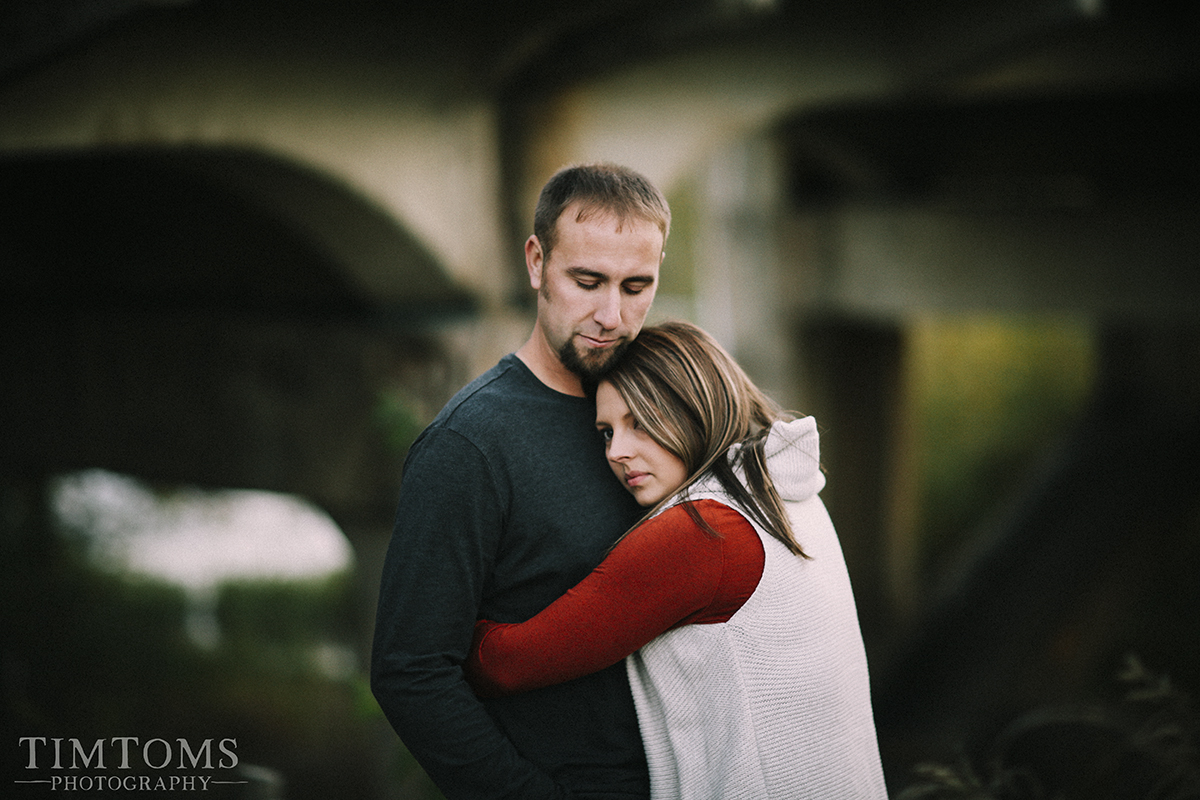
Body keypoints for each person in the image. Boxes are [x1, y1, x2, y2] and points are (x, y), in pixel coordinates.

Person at [464, 320, 889, 799]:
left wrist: (439, 621)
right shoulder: (785, 489)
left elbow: (504, 664)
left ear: (694, 407)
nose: (617, 452)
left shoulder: (703, 534)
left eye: (639, 422)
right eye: (606, 433)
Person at [371, 163, 670, 799]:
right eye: (587, 281)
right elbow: (411, 671)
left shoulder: (666, 410)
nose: (612, 315)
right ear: (537, 262)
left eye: (636, 286)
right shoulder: (468, 445)